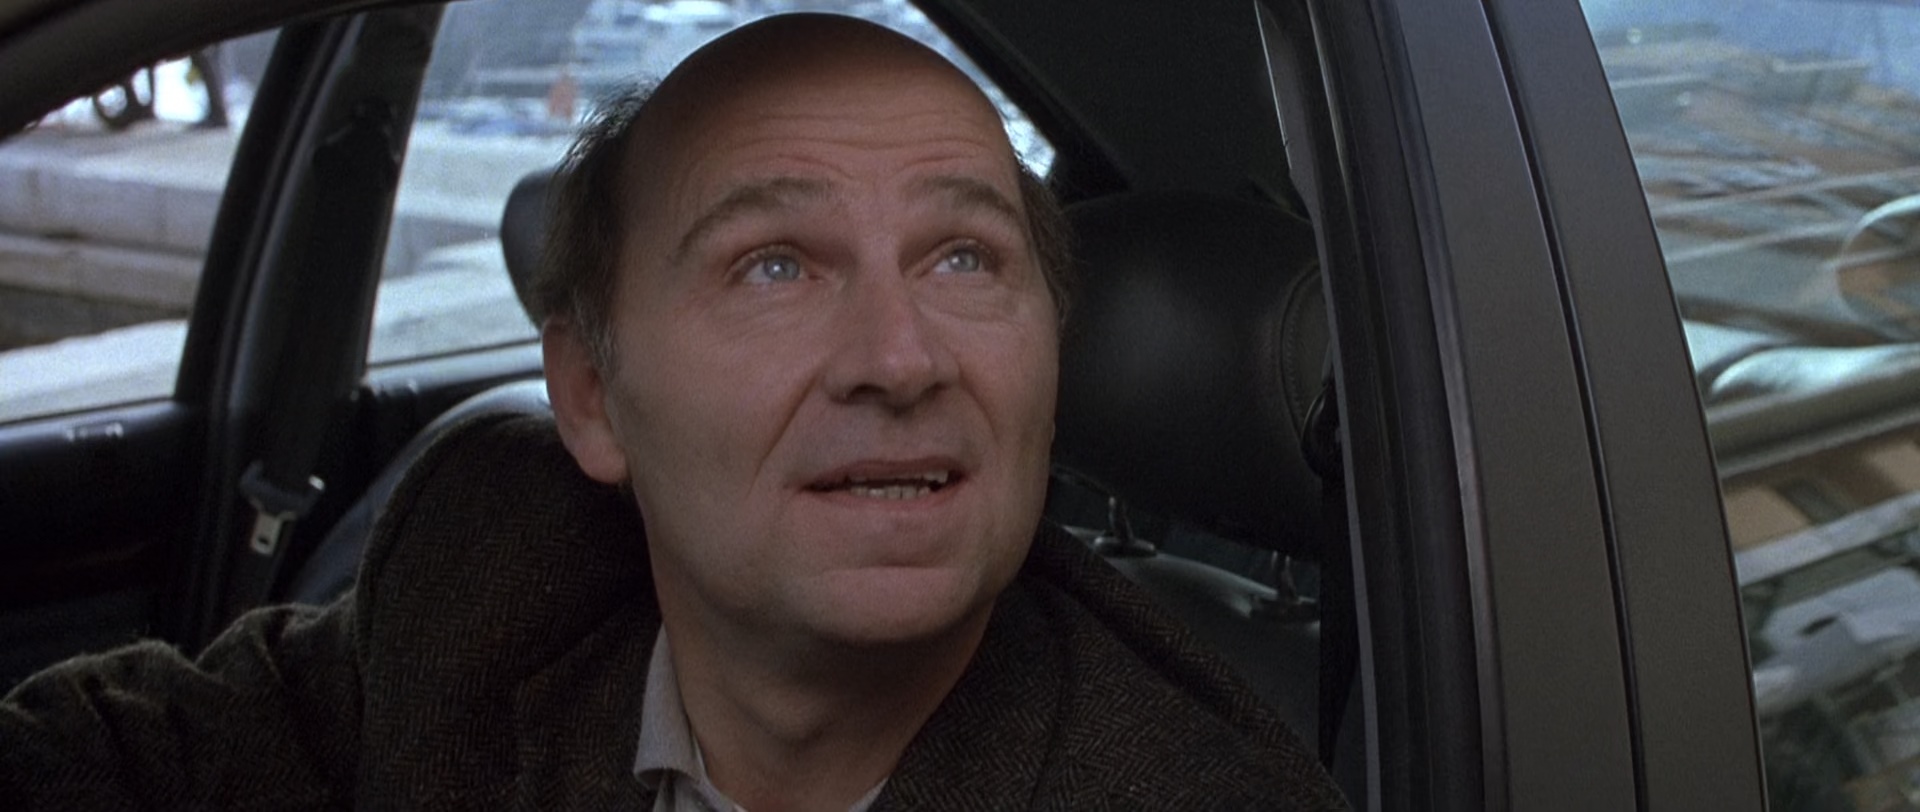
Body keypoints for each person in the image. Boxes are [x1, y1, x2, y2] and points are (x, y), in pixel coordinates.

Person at [1, 13, 1344, 810]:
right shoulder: (489, 560)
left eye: (963, 259)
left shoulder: (1184, 785)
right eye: (776, 268)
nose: (900, 358)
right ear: (591, 396)